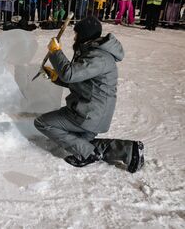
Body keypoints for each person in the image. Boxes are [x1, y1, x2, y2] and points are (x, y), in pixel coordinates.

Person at [34, 16, 144, 172]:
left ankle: (89, 154)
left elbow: (70, 74)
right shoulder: (93, 53)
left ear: (85, 35)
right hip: (92, 113)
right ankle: (129, 150)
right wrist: (55, 77)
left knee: (42, 123)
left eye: (77, 34)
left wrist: (56, 52)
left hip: (88, 115)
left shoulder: (98, 57)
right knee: (80, 144)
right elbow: (79, 81)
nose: (75, 38)